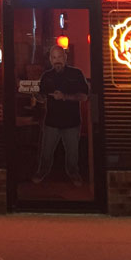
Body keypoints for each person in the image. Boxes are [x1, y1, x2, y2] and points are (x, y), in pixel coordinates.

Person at [31, 44, 89, 186]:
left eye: (60, 57)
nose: (57, 60)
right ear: (50, 59)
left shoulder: (76, 74)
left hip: (72, 122)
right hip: (51, 122)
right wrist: (36, 96)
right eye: (54, 57)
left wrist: (65, 97)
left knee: (72, 154)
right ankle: (42, 172)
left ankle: (73, 174)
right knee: (46, 152)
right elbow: (42, 97)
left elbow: (84, 96)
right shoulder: (47, 76)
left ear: (65, 57)